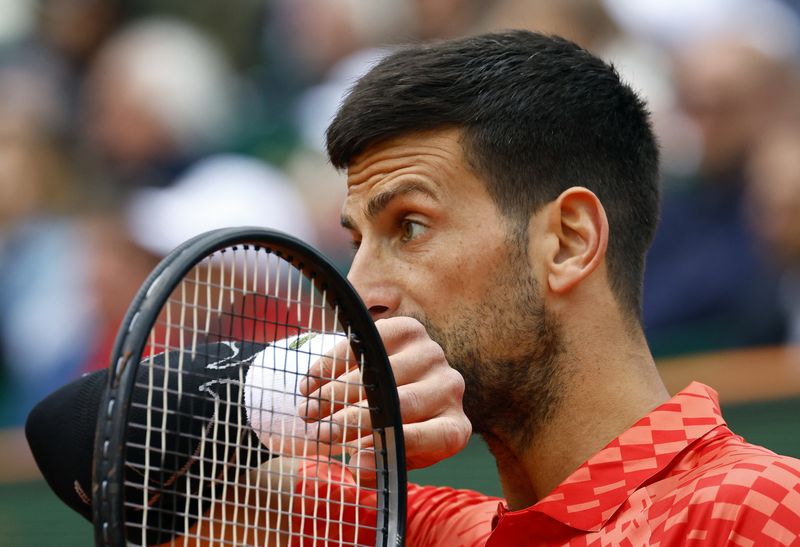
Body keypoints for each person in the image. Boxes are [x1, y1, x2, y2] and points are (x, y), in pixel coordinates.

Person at [314, 29, 800, 545]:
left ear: (569, 241)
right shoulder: (445, 531)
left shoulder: (763, 507)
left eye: (410, 226)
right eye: (356, 243)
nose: (360, 291)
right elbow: (226, 483)